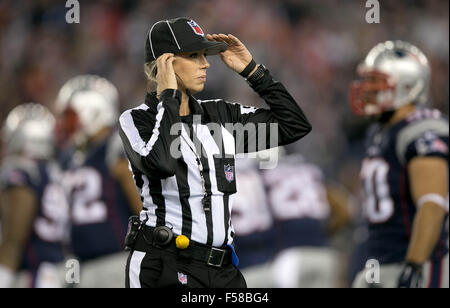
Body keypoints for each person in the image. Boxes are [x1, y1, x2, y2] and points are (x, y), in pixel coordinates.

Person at [118, 17, 311, 288]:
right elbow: (161, 163)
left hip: (223, 269)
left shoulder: (219, 116)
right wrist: (169, 96)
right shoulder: (136, 119)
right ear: (166, 63)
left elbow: (294, 126)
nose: (206, 63)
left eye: (205, 55)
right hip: (164, 265)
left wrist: (253, 72)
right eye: (194, 55)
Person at [350, 41, 449, 288]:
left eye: (376, 82)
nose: (366, 90)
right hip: (380, 263)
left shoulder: (422, 128)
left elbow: (432, 204)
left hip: (416, 263)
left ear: (406, 87)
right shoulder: (380, 132)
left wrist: (415, 263)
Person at [54, 75, 142, 288]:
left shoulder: (117, 149)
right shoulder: (69, 156)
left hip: (115, 259)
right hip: (76, 264)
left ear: (92, 112)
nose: (66, 124)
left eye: (71, 116)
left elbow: (145, 208)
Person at [0, 103, 69, 288]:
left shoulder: (20, 171)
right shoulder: (58, 172)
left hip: (34, 274)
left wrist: (3, 277)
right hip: (62, 269)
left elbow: (15, 237)